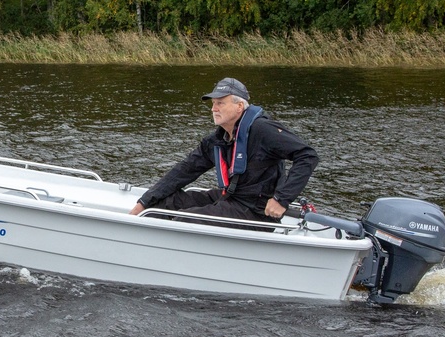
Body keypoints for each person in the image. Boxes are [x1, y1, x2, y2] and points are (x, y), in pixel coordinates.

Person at [128, 77, 318, 227]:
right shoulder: (218, 140)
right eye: (213, 103)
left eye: (220, 103)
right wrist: (143, 202)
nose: (214, 108)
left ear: (239, 106)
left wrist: (281, 199)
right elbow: (183, 171)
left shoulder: (263, 130)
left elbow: (307, 156)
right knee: (165, 204)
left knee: (187, 219)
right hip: (231, 199)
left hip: (256, 212)